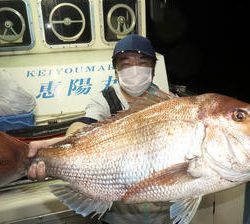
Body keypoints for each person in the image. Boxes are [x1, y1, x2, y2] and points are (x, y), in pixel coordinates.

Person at [28, 34, 173, 224]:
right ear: (116, 70)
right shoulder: (105, 100)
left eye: (142, 62)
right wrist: (65, 144)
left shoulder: (168, 102)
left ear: (153, 69)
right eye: (125, 63)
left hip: (160, 214)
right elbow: (83, 124)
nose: (134, 69)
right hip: (117, 216)